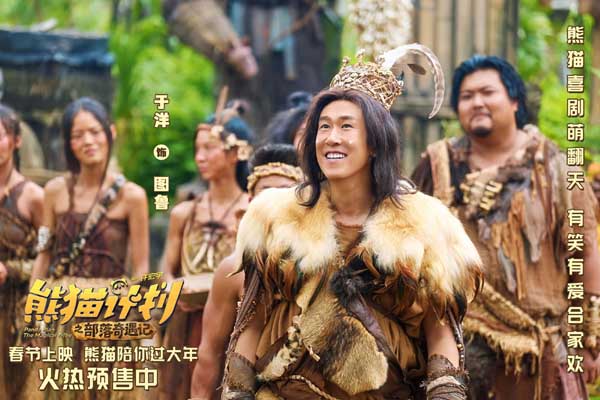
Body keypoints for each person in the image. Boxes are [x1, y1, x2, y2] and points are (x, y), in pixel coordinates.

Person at [221, 46, 482, 399]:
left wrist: (446, 392)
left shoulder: (426, 222)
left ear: (374, 143)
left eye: (346, 126)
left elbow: (440, 329)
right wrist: (237, 391)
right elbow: (252, 320)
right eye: (324, 127)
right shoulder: (274, 216)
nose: (332, 137)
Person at [411, 55, 600, 400]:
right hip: (457, 349)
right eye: (466, 96)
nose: (477, 102)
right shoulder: (437, 166)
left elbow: (585, 253)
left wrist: (589, 338)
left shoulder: (556, 168)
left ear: (514, 101)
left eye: (487, 92)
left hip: (542, 352)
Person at [30, 97, 150, 400]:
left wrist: (140, 323)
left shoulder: (132, 196)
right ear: (68, 143)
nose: (88, 141)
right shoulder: (54, 192)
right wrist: (33, 314)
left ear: (111, 133)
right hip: (62, 311)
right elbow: (44, 252)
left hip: (112, 313)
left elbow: (141, 268)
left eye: (95, 132)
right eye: (78, 135)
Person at [189, 143, 303, 399]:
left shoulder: (321, 265)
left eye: (285, 192)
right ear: (250, 202)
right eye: (266, 193)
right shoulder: (233, 270)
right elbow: (209, 354)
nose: (275, 202)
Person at [159, 98, 254, 400]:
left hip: (233, 325)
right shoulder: (185, 212)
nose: (200, 157)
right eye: (197, 149)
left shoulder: (252, 211)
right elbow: (166, 269)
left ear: (236, 153)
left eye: (209, 148)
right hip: (185, 322)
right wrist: (174, 291)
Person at [0, 103, 44, 400]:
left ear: (16, 141)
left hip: (17, 313)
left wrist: (11, 270)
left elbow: (51, 260)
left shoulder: (34, 197)